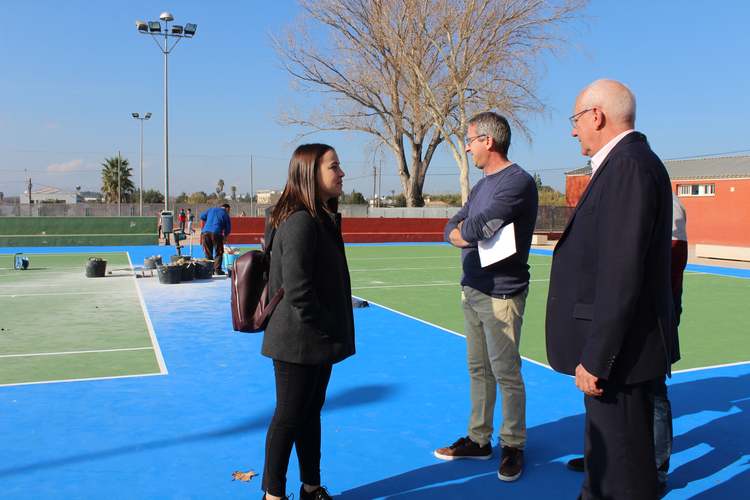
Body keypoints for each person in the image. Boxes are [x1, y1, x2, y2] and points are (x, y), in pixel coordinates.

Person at [545, 79, 678, 499]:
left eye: (576, 119)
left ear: (596, 116)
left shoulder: (628, 166)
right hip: (619, 354)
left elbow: (622, 271)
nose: (573, 130)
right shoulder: (626, 164)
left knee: (621, 472)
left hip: (618, 358)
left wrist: (598, 357)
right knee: (611, 465)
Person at [434, 112, 538, 483]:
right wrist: (460, 232)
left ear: (488, 141)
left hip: (502, 294)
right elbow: (454, 224)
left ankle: (513, 444)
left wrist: (464, 233)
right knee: (478, 369)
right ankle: (479, 440)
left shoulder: (518, 182)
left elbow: (480, 226)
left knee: (506, 372)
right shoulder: (480, 187)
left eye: (470, 139)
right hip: (473, 289)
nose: (466, 146)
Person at [564, 192, 688, 496]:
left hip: (653, 316)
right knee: (618, 391)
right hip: (631, 311)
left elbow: (668, 265)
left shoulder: (664, 203)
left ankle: (655, 470)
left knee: (654, 393)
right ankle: (604, 459)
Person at [260, 143, 355, 500]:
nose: (341, 172)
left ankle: (311, 486)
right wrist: (326, 325)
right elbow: (298, 289)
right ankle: (273, 494)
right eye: (334, 166)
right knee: (288, 417)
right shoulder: (300, 221)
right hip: (296, 339)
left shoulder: (321, 218)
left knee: (310, 412)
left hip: (314, 338)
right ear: (311, 174)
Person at [199, 203, 232, 275]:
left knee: (208, 252)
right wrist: (225, 237)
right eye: (229, 211)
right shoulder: (225, 214)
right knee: (219, 252)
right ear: (227, 209)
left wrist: (209, 220)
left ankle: (209, 270)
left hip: (205, 233)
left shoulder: (211, 209)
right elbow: (228, 229)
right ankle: (217, 270)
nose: (229, 212)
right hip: (216, 233)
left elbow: (201, 216)